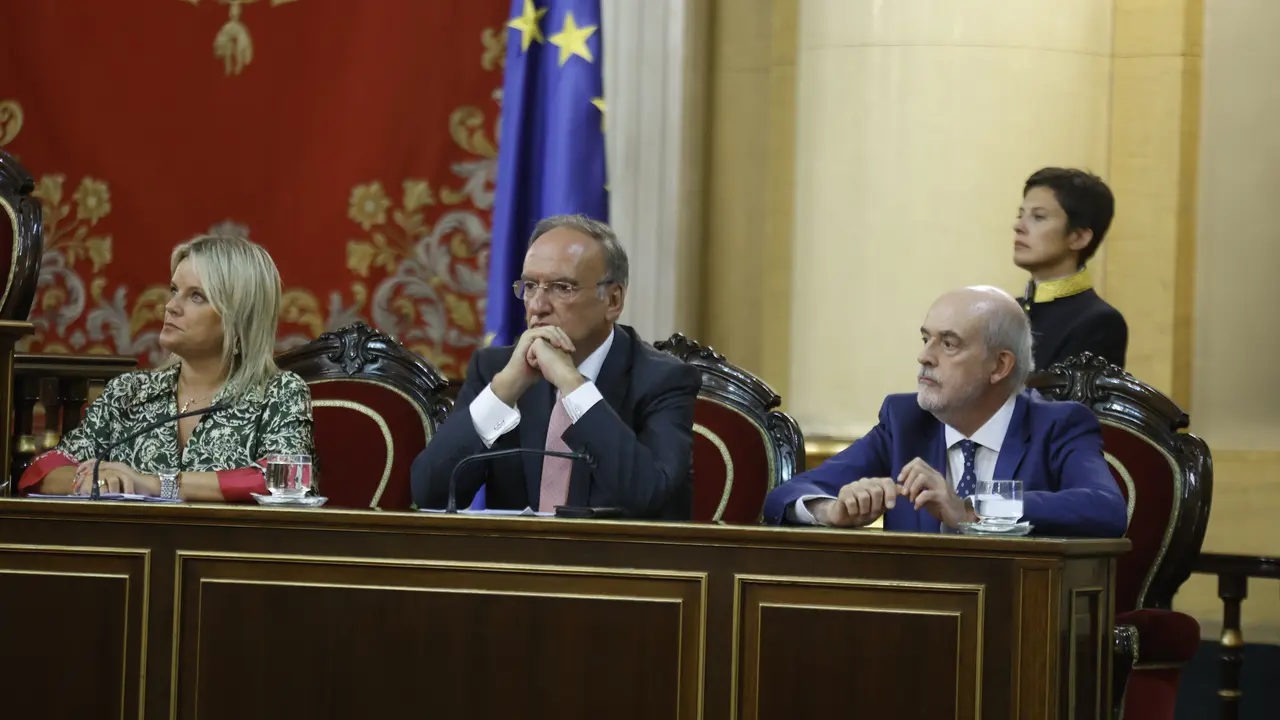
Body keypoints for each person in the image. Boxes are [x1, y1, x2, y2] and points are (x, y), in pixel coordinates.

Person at [763, 286, 1127, 538]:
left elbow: (1105, 508)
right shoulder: (904, 421)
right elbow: (786, 496)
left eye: (948, 343)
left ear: (999, 366)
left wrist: (972, 509)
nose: (925, 356)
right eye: (926, 339)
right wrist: (833, 511)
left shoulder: (1057, 426)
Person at [411, 214, 701, 519]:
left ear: (613, 300)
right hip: (515, 563)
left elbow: (649, 496)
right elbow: (430, 494)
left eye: (562, 287)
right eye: (531, 286)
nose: (537, 305)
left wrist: (572, 384)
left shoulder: (662, 380)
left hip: (614, 563)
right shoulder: (496, 370)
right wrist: (503, 391)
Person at [18, 234, 313, 501]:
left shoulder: (279, 393)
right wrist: (95, 481)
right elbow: (45, 468)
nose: (170, 306)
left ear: (239, 320)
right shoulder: (129, 392)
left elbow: (280, 481)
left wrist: (153, 483)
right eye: (174, 290)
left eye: (196, 296)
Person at [1014, 167, 1128, 369]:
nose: (1019, 226)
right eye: (1020, 215)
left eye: (1038, 217)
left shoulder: (1098, 322)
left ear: (1078, 237)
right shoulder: (1008, 311)